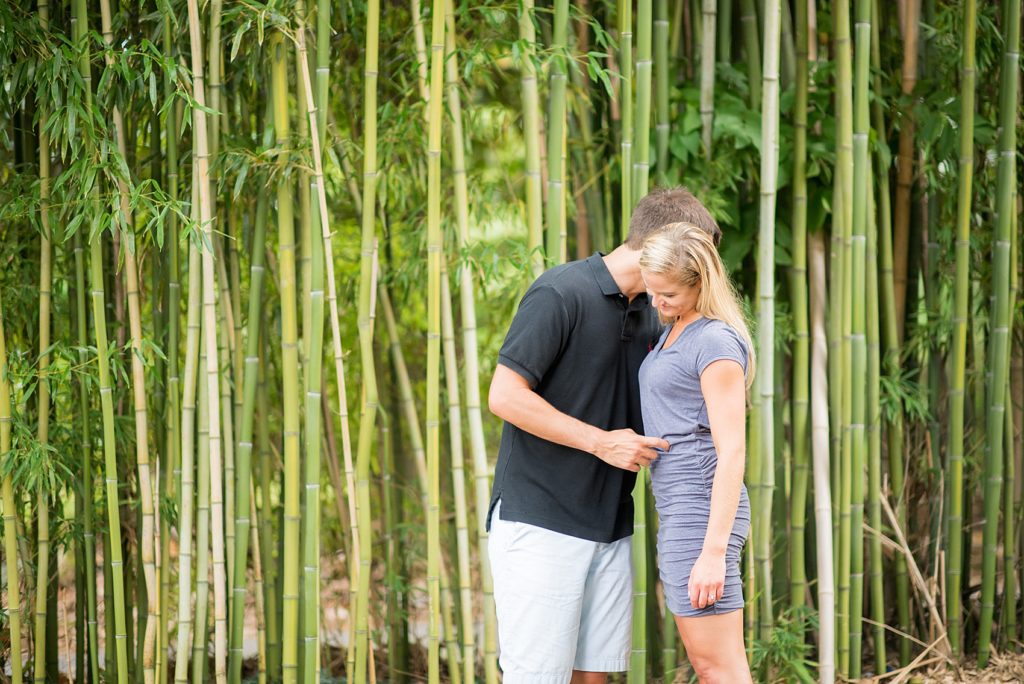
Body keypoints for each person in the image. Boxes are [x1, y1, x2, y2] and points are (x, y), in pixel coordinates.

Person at [486, 188, 721, 684]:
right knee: (536, 678)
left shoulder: (658, 314)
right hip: (541, 519)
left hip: (612, 523)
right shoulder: (561, 292)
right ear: (660, 244)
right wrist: (601, 441)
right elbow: (504, 396)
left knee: (593, 677)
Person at [638, 222, 755, 683]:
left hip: (702, 510)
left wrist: (713, 552)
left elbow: (732, 452)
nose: (656, 303)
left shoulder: (714, 341)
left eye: (666, 294)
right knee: (709, 667)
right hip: (678, 506)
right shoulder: (677, 330)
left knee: (718, 668)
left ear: (700, 283)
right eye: (651, 292)